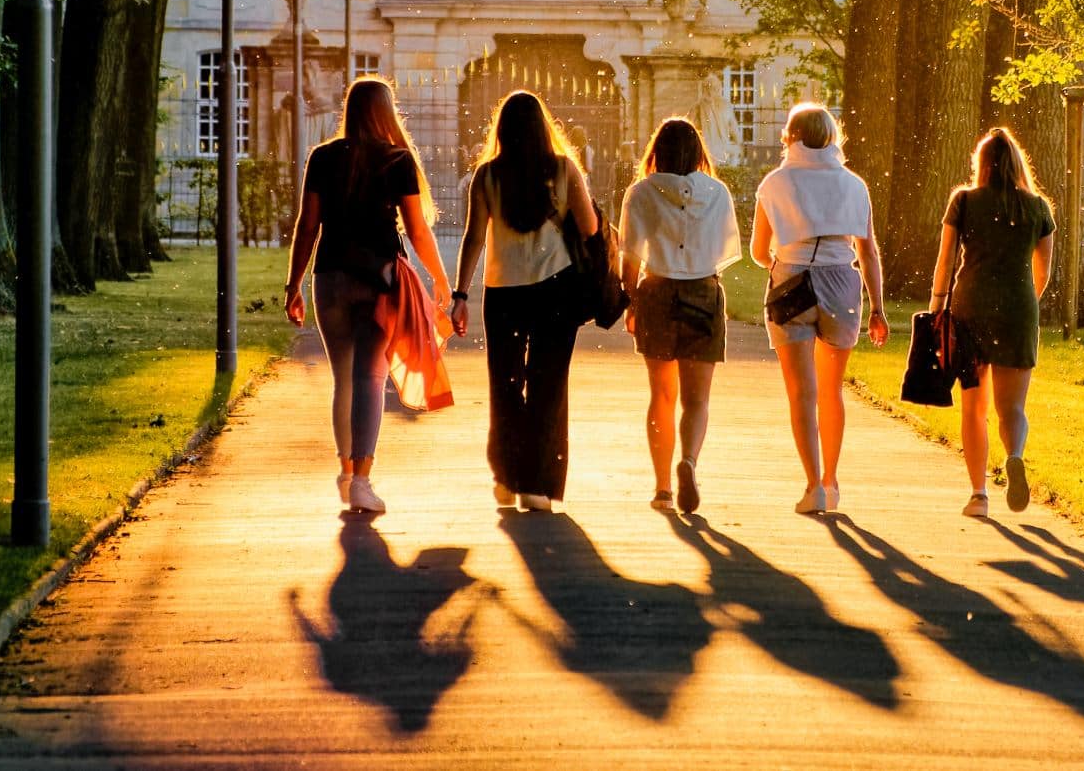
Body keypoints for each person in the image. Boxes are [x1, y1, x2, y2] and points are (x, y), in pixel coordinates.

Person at [285, 76, 453, 515]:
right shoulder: (397, 160)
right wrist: (441, 279)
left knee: (343, 378)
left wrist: (293, 285)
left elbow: (307, 226)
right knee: (370, 379)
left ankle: (345, 472)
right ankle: (362, 478)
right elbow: (417, 231)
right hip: (379, 280)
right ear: (386, 111)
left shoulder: (322, 157)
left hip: (330, 279)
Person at [450, 90, 600, 512]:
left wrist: (460, 294)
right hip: (556, 289)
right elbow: (589, 228)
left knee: (506, 385)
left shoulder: (487, 176)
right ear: (542, 126)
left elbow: (474, 238)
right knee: (549, 387)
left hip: (503, 293)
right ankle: (538, 486)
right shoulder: (564, 169)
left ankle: (506, 477)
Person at [750, 103, 889, 515]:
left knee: (801, 393)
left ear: (789, 136)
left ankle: (812, 485)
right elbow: (868, 251)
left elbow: (758, 251)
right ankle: (832, 478)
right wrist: (877, 308)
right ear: (832, 136)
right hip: (841, 283)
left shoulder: (775, 183)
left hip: (791, 280)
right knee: (831, 390)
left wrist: (784, 258)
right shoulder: (853, 184)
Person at [928, 126, 1056, 519]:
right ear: (1018, 163)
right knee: (1012, 408)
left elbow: (946, 259)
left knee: (973, 408)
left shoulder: (964, 201)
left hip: (971, 308)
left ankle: (978, 495)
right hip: (1018, 309)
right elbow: (1044, 270)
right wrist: (1024, 304)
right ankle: (1014, 455)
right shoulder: (1036, 208)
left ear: (981, 164)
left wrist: (937, 306)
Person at [618, 117, 742, 514]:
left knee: (661, 394)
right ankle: (688, 461)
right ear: (698, 152)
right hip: (703, 291)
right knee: (696, 399)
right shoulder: (718, 193)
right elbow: (724, 250)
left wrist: (631, 299)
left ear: (659, 151)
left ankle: (661, 489)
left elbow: (631, 255)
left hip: (656, 290)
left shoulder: (641, 192)